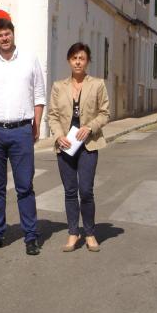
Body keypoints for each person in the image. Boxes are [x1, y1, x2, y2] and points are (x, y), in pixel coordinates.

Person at [0, 17, 46, 255]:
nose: (4, 38)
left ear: (13, 33)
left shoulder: (29, 59)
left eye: (7, 34)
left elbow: (39, 95)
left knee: (25, 186)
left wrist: (36, 125)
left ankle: (31, 236)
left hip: (21, 131)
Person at [47, 43, 110, 252]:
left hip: (88, 145)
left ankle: (90, 233)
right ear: (69, 61)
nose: (77, 62)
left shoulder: (98, 84)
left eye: (81, 58)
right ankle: (73, 233)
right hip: (65, 145)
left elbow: (105, 113)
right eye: (74, 58)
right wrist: (58, 136)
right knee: (70, 191)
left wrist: (90, 127)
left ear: (87, 61)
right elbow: (53, 115)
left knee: (86, 190)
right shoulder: (58, 86)